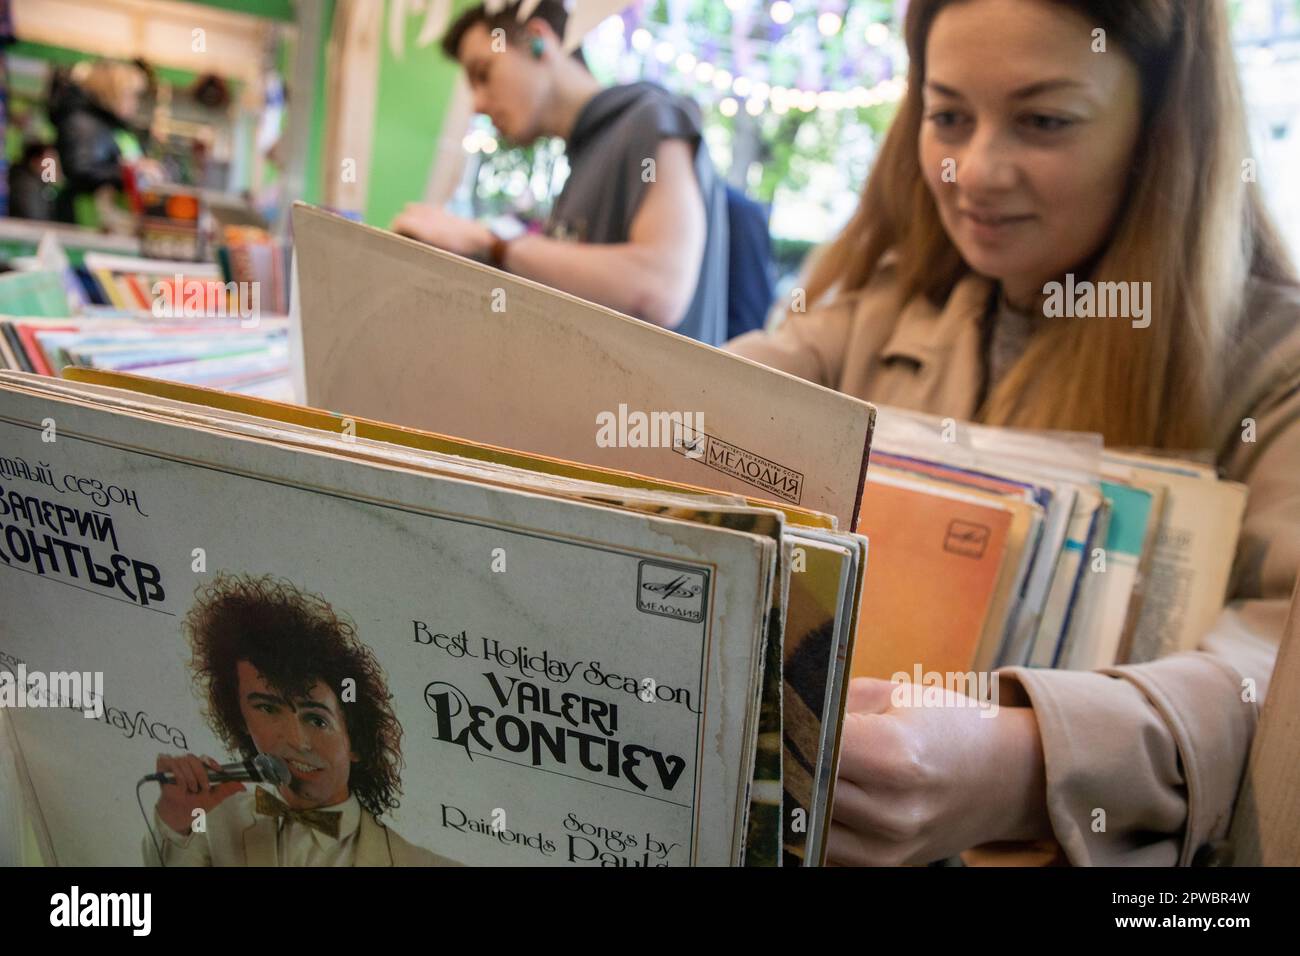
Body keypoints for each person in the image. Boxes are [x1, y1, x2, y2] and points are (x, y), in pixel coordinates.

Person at [728, 0, 1300, 866]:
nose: (976, 171)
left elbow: (1274, 660)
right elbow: (714, 395)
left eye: (1043, 120)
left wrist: (1030, 762)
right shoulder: (869, 312)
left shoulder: (1273, 368)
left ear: (1160, 127)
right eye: (948, 115)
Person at [391, 0, 729, 346]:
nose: (477, 104)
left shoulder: (651, 120)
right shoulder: (584, 158)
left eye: (484, 73)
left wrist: (489, 242)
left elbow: (660, 287)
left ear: (539, 40)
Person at [143, 573, 459, 866]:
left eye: (317, 720)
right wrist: (175, 818)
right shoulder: (205, 826)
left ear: (356, 741)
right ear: (240, 719)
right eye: (268, 709)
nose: (295, 740)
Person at [49, 59, 159, 230]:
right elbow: (80, 169)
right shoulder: (82, 122)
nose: (135, 104)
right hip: (86, 221)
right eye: (132, 95)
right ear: (113, 92)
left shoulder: (113, 126)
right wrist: (127, 173)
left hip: (112, 221)